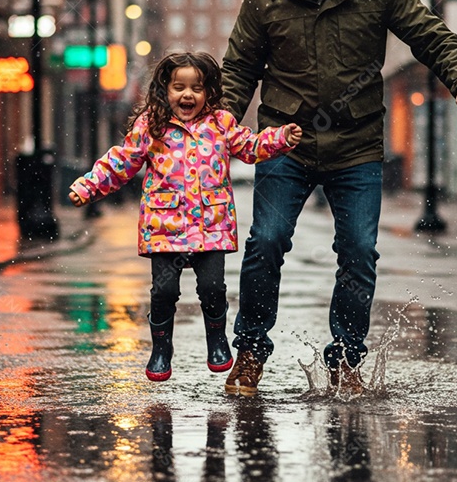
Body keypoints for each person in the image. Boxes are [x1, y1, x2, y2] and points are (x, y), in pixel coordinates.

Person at [221, 0, 457, 397]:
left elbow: (432, 37)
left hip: (356, 145)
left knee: (359, 252)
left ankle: (345, 360)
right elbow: (238, 70)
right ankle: (251, 351)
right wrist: (218, 128)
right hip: (285, 142)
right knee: (266, 241)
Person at [68, 52, 302, 382]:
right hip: (165, 228)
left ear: (209, 93)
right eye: (179, 87)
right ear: (166, 89)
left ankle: (217, 340)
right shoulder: (151, 126)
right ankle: (161, 349)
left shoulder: (221, 124)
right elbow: (122, 161)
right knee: (163, 292)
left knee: (212, 288)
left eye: (197, 88)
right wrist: (90, 185)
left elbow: (249, 146)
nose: (188, 95)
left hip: (212, 227)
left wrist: (280, 139)